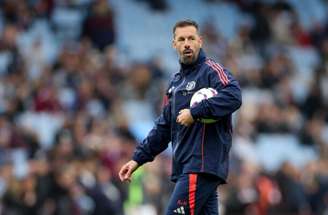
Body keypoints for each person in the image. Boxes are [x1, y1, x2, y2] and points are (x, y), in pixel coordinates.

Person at [119, 19, 242, 215]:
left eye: (191, 38)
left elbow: (233, 96)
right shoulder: (176, 83)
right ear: (174, 44)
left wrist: (195, 112)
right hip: (188, 167)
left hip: (200, 166)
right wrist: (137, 159)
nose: (187, 44)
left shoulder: (211, 70)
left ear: (200, 41)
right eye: (181, 39)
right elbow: (164, 127)